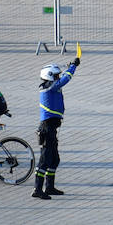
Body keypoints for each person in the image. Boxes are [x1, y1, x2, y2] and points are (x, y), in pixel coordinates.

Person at [33, 56, 79, 200]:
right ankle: (37, 189)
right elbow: (65, 80)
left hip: (52, 128)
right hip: (47, 129)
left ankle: (50, 187)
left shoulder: (51, 86)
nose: (58, 77)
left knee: (54, 159)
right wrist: (73, 67)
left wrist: (68, 66)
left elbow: (60, 80)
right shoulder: (49, 87)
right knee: (45, 160)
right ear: (50, 76)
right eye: (56, 75)